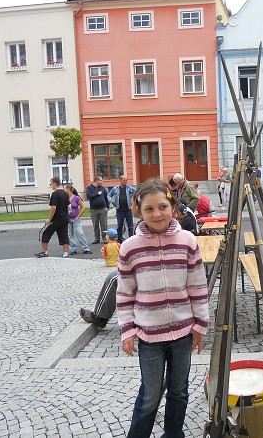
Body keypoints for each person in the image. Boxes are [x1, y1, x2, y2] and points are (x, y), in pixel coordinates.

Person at [116, 178, 209, 438]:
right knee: (150, 394)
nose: (157, 214)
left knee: (179, 391)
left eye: (162, 207)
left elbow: (198, 287)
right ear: (139, 211)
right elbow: (125, 293)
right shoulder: (130, 248)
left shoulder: (188, 240)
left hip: (183, 333)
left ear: (172, 206)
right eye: (149, 209)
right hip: (149, 336)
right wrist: (127, 329)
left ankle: (173, 434)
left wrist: (200, 326)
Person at [80, 188, 142, 329]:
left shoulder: (146, 224)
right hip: (145, 269)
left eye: (132, 203)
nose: (130, 207)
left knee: (114, 278)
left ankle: (100, 318)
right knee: (114, 275)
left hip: (149, 272)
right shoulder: (142, 224)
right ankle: (101, 315)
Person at [35, 177, 70, 258]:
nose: (50, 185)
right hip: (64, 218)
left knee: (44, 233)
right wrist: (66, 214)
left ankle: (45, 252)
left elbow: (53, 208)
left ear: (55, 183)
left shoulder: (55, 194)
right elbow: (69, 206)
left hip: (56, 219)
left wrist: (49, 219)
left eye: (51, 183)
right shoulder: (65, 193)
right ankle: (65, 254)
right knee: (64, 236)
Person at [64, 183, 92, 255]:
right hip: (68, 219)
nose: (64, 190)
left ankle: (85, 248)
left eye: (65, 189)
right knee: (70, 235)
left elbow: (83, 207)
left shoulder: (76, 198)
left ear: (68, 189)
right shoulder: (65, 198)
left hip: (75, 218)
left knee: (80, 233)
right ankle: (73, 249)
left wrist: (78, 216)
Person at [107, 175, 137, 243]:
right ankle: (119, 240)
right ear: (120, 180)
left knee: (130, 226)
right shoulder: (115, 189)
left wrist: (134, 202)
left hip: (128, 210)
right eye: (124, 180)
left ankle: (131, 240)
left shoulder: (130, 188)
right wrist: (112, 201)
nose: (125, 181)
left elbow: (137, 193)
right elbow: (108, 195)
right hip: (119, 210)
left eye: (126, 180)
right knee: (119, 226)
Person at [86, 175, 110, 244]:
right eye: (101, 180)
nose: (102, 181)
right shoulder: (89, 188)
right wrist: (97, 194)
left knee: (104, 224)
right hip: (94, 209)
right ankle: (97, 238)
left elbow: (106, 197)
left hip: (102, 208)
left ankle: (105, 237)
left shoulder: (102, 188)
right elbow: (88, 196)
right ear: (96, 181)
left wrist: (107, 206)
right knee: (95, 224)